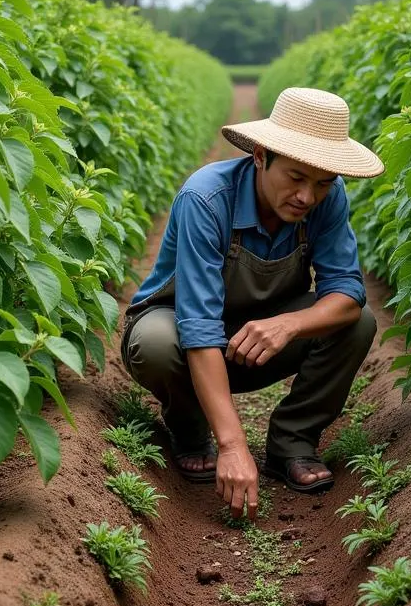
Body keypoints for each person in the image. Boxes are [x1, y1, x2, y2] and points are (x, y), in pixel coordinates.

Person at [120, 86, 384, 520]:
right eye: (296, 177)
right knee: (154, 341)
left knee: (357, 322)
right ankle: (190, 430)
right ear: (261, 156)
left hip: (257, 344)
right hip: (186, 343)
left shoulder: (327, 200)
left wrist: (289, 325)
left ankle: (292, 442)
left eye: (322, 183)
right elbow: (198, 323)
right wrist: (233, 444)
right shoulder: (206, 198)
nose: (307, 197)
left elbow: (349, 292)